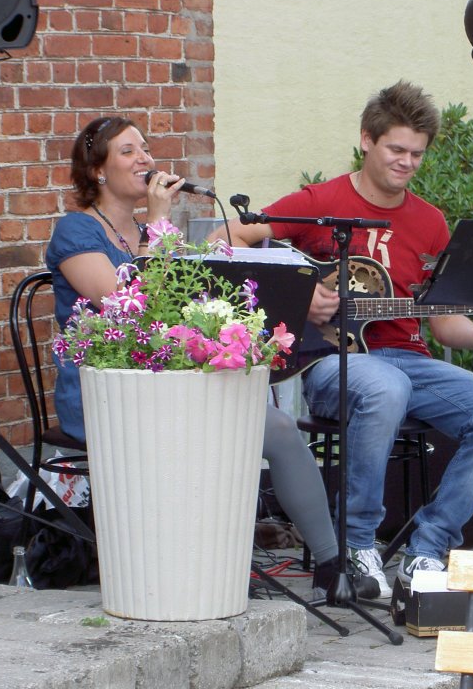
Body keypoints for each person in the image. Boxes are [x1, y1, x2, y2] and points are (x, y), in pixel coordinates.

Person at [46, 116, 377, 599]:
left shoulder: (141, 232)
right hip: (108, 393)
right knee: (226, 430)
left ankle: (333, 567)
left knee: (279, 427)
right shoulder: (76, 232)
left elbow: (179, 313)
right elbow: (134, 303)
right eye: (128, 151)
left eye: (146, 148)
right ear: (97, 170)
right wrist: (161, 222)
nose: (145, 159)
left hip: (171, 381)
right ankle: (199, 564)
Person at [210, 82, 473, 598]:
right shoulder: (319, 202)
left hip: (408, 361)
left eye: (417, 154)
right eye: (397, 149)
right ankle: (356, 543)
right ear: (366, 140)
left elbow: (442, 325)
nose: (407, 163)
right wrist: (298, 292)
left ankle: (428, 551)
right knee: (384, 388)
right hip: (332, 361)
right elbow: (226, 239)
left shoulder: (431, 223)